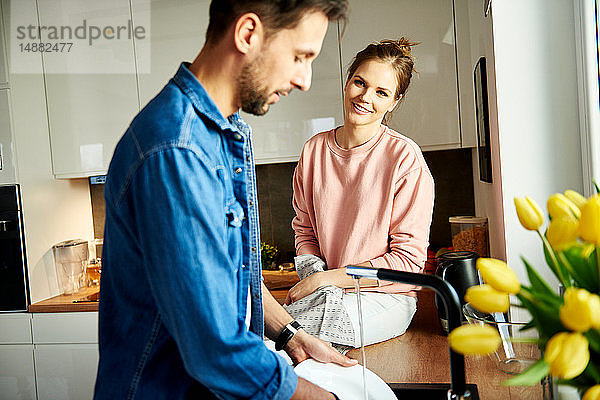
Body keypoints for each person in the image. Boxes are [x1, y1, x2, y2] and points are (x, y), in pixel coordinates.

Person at [93, 1, 356, 399]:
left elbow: (230, 274)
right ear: (248, 34)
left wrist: (291, 335)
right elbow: (215, 348)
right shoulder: (178, 150)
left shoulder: (223, 130)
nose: (304, 79)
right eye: (300, 56)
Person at [286, 38, 435, 351]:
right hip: (327, 289)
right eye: (360, 82)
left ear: (394, 101)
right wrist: (316, 278)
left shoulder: (404, 159)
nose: (365, 97)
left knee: (297, 342)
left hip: (384, 300)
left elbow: (407, 263)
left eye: (381, 92)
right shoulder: (313, 151)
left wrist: (326, 280)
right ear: (348, 81)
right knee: (272, 336)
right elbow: (305, 231)